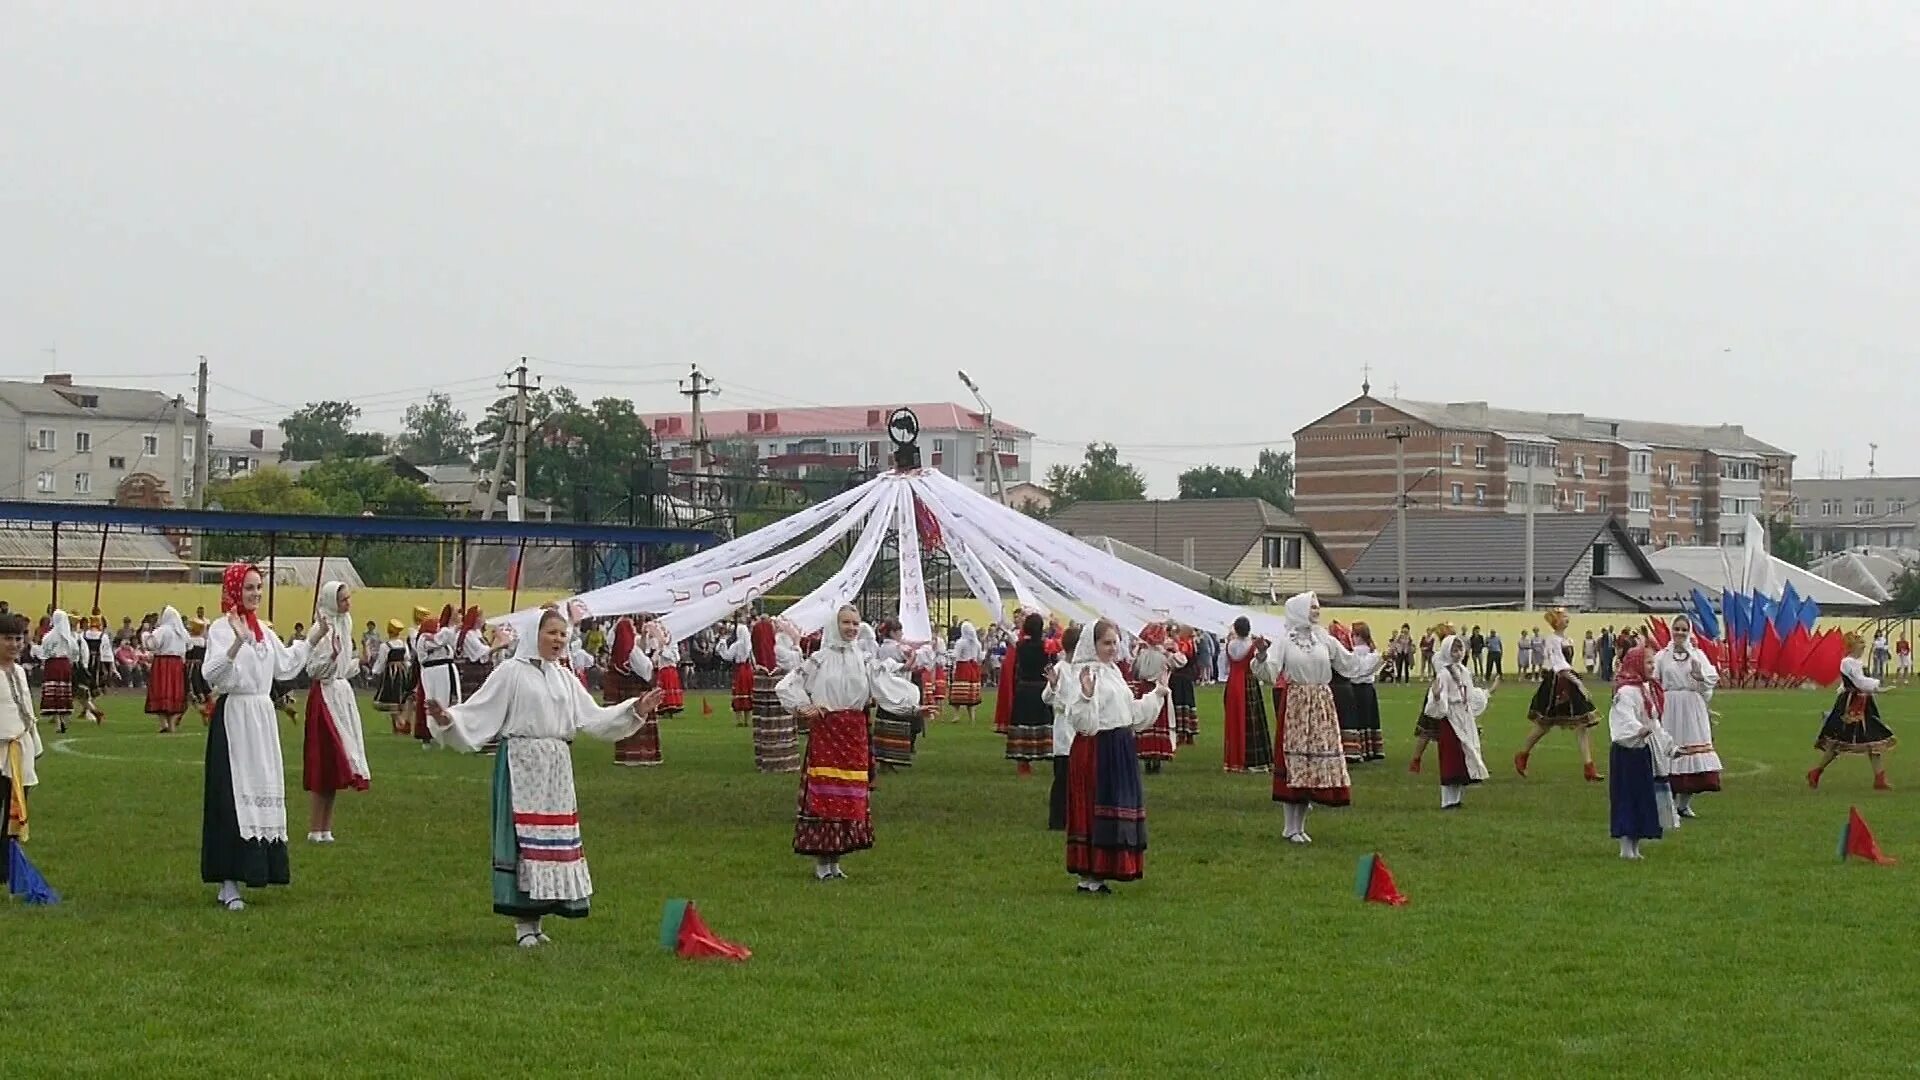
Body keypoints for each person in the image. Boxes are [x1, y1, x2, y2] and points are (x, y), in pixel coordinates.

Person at [427, 608, 664, 947]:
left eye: (562, 634)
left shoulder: (564, 676)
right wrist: (447, 718)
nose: (558, 640)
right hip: (522, 763)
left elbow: (593, 718)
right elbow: (481, 709)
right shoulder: (511, 672)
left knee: (550, 840)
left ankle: (538, 920)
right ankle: (523, 922)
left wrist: (635, 708)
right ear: (534, 634)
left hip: (555, 768)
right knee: (525, 839)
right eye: (551, 632)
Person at [201, 563, 313, 911]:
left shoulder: (264, 630)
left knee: (261, 789)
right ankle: (228, 880)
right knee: (231, 795)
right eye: (249, 588)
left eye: (259, 588)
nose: (255, 594)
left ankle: (255, 869)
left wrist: (314, 638)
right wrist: (236, 642)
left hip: (261, 719)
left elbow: (285, 666)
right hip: (235, 717)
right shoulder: (221, 629)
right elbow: (213, 674)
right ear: (235, 589)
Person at [1256, 593, 1382, 843]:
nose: (1316, 610)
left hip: (1321, 702)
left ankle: (1299, 826)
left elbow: (1348, 664)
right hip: (1297, 704)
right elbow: (1270, 670)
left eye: (1317, 606)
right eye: (1312, 607)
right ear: (1299, 610)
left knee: (1313, 764)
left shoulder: (1323, 638)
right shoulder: (1285, 641)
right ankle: (1289, 826)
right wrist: (1260, 656)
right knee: (1295, 762)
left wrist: (1377, 659)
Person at [777, 604, 885, 881]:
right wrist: (804, 707)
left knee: (849, 796)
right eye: (846, 623)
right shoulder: (820, 659)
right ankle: (821, 863)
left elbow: (885, 685)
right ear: (835, 626)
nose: (851, 628)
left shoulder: (863, 657)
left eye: (855, 623)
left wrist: (912, 706)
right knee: (825, 793)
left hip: (853, 734)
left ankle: (836, 860)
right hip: (828, 732)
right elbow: (788, 685)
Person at [1060, 618, 1167, 894]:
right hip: (1097, 748)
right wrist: (1085, 696)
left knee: (1117, 805)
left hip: (1119, 744)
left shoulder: (1113, 672)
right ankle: (1089, 876)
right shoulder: (1084, 673)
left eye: (1114, 642)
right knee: (1096, 807)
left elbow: (1131, 714)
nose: (1112, 648)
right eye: (1106, 643)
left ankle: (1106, 870)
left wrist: (1157, 693)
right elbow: (1083, 722)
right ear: (1092, 644)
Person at [301, 582, 370, 843]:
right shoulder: (321, 628)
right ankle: (314, 827)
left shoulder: (345, 623)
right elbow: (313, 669)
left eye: (348, 599)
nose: (347, 604)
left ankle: (326, 827)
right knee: (325, 761)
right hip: (325, 698)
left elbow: (343, 668)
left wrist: (357, 662)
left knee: (337, 763)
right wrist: (331, 656)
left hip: (341, 695)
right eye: (342, 600)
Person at [1515, 609, 1602, 783]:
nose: (1566, 619)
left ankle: (1589, 767)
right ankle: (1522, 755)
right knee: (1544, 725)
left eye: (1567, 617)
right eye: (1563, 617)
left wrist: (1576, 680)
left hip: (1568, 680)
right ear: (1556, 621)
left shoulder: (1567, 639)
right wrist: (1577, 682)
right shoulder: (1552, 640)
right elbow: (1558, 664)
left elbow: (1566, 664)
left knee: (1581, 724)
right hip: (1556, 683)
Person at [1808, 632, 1897, 790]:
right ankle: (1816, 771)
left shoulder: (1854, 662)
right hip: (1852, 705)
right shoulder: (1848, 662)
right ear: (1852, 647)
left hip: (1862, 703)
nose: (1863, 647)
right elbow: (1859, 682)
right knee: (1839, 742)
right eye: (1860, 644)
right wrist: (1878, 687)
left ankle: (1879, 779)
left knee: (1873, 738)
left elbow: (1853, 683)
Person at [1657, 615, 1721, 818]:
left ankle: (1684, 804)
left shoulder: (1697, 655)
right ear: (1671, 630)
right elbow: (1653, 680)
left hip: (1692, 707)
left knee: (1693, 752)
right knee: (1670, 751)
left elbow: (1710, 679)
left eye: (1684, 629)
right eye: (1677, 629)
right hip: (1670, 706)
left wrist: (1699, 676)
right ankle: (1668, 804)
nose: (1680, 633)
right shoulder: (1663, 656)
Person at [1608, 646, 1667, 860]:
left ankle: (1636, 844)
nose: (1653, 666)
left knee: (1642, 796)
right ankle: (1625, 845)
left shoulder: (1646, 689)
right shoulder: (1624, 692)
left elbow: (1654, 720)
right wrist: (1638, 729)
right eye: (1648, 662)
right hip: (1626, 752)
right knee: (1626, 796)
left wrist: (1669, 746)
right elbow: (1623, 718)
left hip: (1642, 751)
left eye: (1653, 662)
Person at [1426, 634, 1492, 809]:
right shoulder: (1444, 674)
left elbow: (1469, 695)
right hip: (1450, 719)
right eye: (1454, 650)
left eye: (1460, 649)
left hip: (1464, 716)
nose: (1458, 653)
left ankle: (1457, 798)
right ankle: (1447, 800)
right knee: (1450, 757)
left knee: (1464, 756)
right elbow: (1437, 699)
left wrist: (1486, 694)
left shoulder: (1464, 671)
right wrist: (1439, 697)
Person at [1, 613, 45, 863]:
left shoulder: (19, 671)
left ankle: (7, 868)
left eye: (18, 638)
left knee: (15, 813)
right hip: (2, 750)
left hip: (22, 749)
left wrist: (34, 744)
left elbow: (26, 711)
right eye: (7, 638)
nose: (15, 644)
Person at [1221, 616, 1274, 773]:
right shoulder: (1251, 645)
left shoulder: (1230, 645)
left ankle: (1234, 758)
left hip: (1232, 684)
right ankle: (1255, 759)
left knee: (1234, 720)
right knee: (1252, 719)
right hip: (1248, 681)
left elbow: (1225, 666)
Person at [1043, 624, 1083, 830]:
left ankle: (1078, 816)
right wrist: (1052, 686)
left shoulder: (1083, 670)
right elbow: (1046, 698)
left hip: (1080, 728)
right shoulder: (1060, 669)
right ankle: (1057, 819)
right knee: (1062, 778)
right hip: (1063, 729)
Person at [1006, 612, 1055, 776]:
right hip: (1041, 688)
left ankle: (1023, 763)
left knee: (1024, 722)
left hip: (1024, 688)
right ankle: (1045, 751)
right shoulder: (1047, 646)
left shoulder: (1021, 646)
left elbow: (1011, 636)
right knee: (1042, 721)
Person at [606, 619, 659, 767]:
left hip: (626, 692)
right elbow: (647, 670)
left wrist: (643, 637)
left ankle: (626, 755)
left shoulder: (619, 648)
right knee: (639, 723)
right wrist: (658, 651)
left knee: (627, 722)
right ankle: (641, 755)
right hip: (637, 690)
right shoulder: (631, 651)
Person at [750, 617, 801, 773]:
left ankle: (765, 759)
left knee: (764, 723)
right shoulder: (776, 649)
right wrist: (796, 641)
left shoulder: (758, 649)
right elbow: (796, 662)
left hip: (762, 688)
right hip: (775, 689)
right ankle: (780, 762)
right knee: (779, 723)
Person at [1129, 624, 1179, 774]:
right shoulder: (1164, 656)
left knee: (1146, 722)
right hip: (1159, 689)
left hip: (1145, 690)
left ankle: (1147, 758)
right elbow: (1181, 662)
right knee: (1158, 722)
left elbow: (1135, 672)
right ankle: (1157, 758)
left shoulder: (1141, 655)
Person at [413, 614, 459, 749]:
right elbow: (439, 641)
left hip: (446, 671)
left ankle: (448, 734)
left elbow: (448, 644)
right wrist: (449, 630)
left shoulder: (439, 639)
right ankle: (433, 733)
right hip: (434, 674)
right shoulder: (424, 639)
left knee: (448, 702)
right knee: (435, 703)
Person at [35, 610, 84, 734]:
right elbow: (75, 653)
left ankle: (57, 722)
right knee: (63, 692)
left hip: (52, 665)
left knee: (54, 692)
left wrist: (36, 651)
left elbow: (44, 653)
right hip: (65, 665)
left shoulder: (49, 636)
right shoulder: (69, 637)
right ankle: (64, 719)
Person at [143, 606, 190, 733]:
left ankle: (164, 723)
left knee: (161, 690)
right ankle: (170, 724)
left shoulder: (162, 630)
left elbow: (151, 645)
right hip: (177, 664)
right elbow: (189, 645)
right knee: (175, 692)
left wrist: (146, 634)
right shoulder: (181, 631)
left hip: (163, 662)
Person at [1346, 622, 1384, 762]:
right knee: (1367, 719)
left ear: (1359, 636)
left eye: (1354, 635)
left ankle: (1360, 749)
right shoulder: (1372, 652)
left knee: (1359, 720)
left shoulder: (1357, 653)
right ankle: (1370, 750)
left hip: (1358, 688)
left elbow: (1360, 671)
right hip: (1367, 689)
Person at [372, 618, 415, 732]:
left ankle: (398, 723)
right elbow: (407, 658)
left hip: (391, 673)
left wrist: (375, 672)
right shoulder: (403, 643)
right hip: (402, 671)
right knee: (402, 697)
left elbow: (382, 661)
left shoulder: (385, 646)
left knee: (392, 697)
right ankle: (401, 723)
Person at [1169, 624, 1200, 745]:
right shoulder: (1189, 643)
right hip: (1184, 678)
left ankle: (1184, 733)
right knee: (1185, 703)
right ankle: (1186, 733)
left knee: (1182, 703)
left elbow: (1182, 659)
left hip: (1181, 677)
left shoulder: (1186, 644)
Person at [949, 621, 984, 721]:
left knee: (959, 691)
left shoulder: (961, 642)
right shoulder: (977, 643)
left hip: (962, 667)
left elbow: (956, 655)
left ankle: (956, 715)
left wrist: (949, 655)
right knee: (971, 693)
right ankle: (972, 716)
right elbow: (980, 657)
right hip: (973, 667)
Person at [722, 622, 755, 727]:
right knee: (748, 693)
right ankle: (747, 720)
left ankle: (739, 720)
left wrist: (722, 644)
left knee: (739, 692)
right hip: (748, 670)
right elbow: (753, 659)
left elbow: (728, 656)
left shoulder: (737, 645)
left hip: (740, 670)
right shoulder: (749, 645)